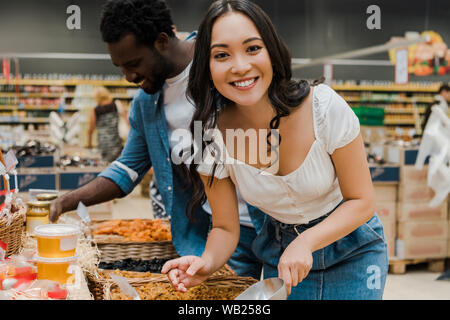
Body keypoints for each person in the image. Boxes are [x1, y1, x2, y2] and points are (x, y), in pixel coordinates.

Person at [162, 0, 388, 300]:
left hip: (353, 250)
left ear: (272, 51)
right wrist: (206, 263)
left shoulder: (323, 108)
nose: (240, 66)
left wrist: (306, 241)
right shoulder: (209, 137)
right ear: (206, 65)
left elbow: (361, 201)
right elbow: (226, 228)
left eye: (253, 48)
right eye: (222, 55)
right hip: (283, 262)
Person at [49, 0, 264, 279]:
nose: (128, 77)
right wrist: (65, 201)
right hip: (216, 233)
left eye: (134, 63)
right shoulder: (146, 104)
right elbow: (127, 169)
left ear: (162, 41)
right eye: (120, 67)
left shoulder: (220, 62)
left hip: (270, 224)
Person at [87, 86, 129, 162]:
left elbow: (91, 129)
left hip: (103, 143)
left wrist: (89, 144)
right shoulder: (117, 104)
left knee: (105, 163)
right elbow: (127, 122)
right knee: (118, 162)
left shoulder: (95, 110)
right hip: (116, 141)